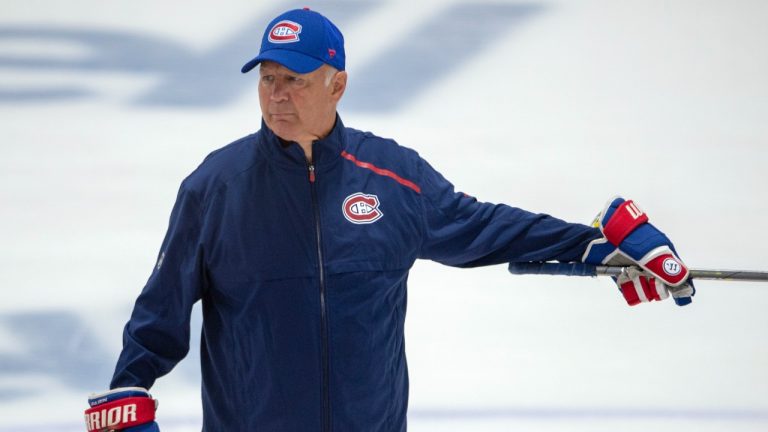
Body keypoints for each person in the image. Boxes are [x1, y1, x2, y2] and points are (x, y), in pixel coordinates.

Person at [82, 8, 694, 432]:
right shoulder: (215, 189)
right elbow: (159, 316)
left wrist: (592, 243)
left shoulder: (392, 179)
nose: (277, 96)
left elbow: (483, 228)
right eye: (268, 80)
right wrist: (127, 391)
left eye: (294, 80)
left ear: (337, 84)